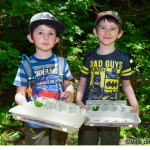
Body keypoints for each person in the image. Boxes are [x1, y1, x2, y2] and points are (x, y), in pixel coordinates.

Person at [76, 11, 139, 146]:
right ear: (95, 32)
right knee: (86, 142)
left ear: (119, 34)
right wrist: (78, 100)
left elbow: (127, 86)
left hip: (112, 112)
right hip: (89, 111)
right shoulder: (89, 57)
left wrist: (134, 104)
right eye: (103, 27)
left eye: (112, 29)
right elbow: (81, 84)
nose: (107, 32)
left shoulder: (123, 59)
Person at [13, 12, 74, 146]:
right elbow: (20, 94)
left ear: (57, 39)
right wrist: (26, 107)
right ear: (30, 38)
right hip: (36, 121)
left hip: (59, 118)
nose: (46, 37)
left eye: (51, 33)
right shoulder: (26, 65)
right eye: (40, 33)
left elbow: (68, 85)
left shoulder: (62, 63)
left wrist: (70, 93)